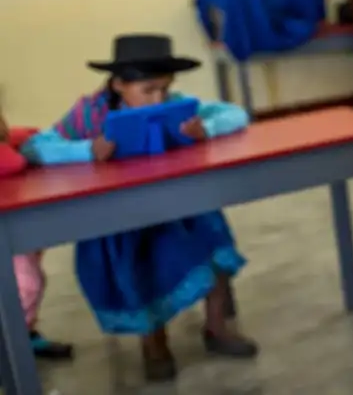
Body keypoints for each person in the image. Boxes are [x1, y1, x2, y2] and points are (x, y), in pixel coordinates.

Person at [20, 34, 258, 382]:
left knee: (213, 238)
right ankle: (154, 343)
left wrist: (205, 128)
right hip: (122, 219)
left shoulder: (177, 106)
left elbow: (235, 113)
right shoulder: (88, 114)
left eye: (164, 88)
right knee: (139, 266)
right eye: (147, 90)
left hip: (180, 206)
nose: (158, 98)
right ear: (118, 85)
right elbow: (34, 148)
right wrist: (87, 150)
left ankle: (217, 327)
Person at [0, 115, 74, 360]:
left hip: (14, 221)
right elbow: (11, 162)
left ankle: (25, 334)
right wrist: (17, 148)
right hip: (6, 231)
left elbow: (29, 132)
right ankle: (14, 341)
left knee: (29, 281)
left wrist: (16, 138)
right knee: (27, 285)